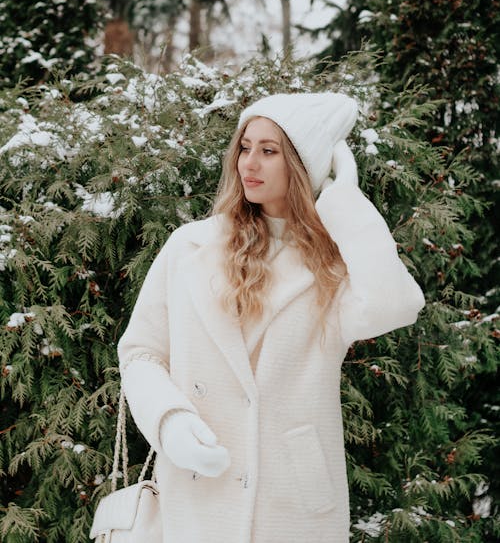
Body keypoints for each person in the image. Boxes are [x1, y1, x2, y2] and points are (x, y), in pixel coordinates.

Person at [118, 92, 425, 543]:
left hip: (294, 499)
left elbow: (394, 307)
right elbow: (141, 352)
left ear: (301, 165)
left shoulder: (334, 265)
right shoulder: (190, 247)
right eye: (244, 147)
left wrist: (347, 204)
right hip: (201, 483)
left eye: (269, 150)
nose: (249, 164)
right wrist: (169, 420)